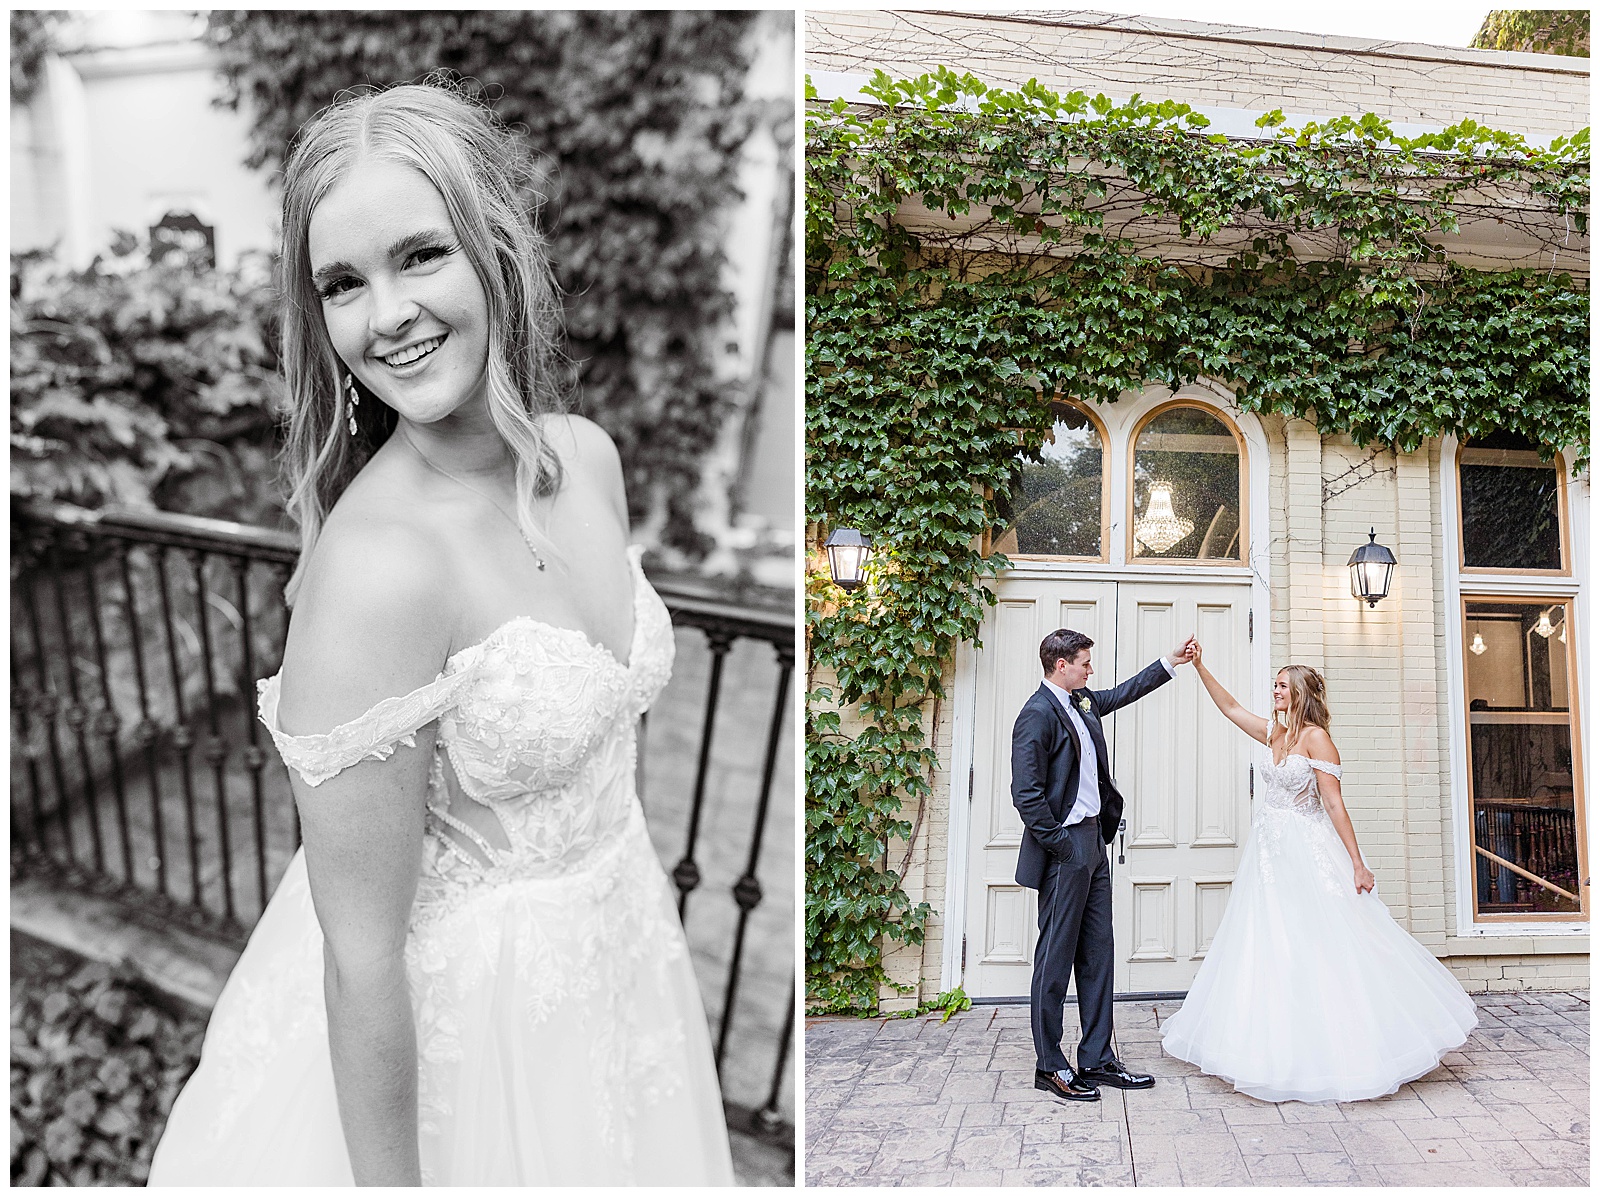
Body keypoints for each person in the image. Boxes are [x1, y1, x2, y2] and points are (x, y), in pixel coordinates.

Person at [148, 82, 734, 1185]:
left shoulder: (585, 456)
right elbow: (361, 957)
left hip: (617, 954)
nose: (386, 317)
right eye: (342, 284)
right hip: (469, 1042)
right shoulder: (377, 570)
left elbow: (605, 747)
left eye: (420, 256)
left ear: (494, 247)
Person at [1159, 647, 1478, 1103]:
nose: (1275, 690)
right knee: (1270, 939)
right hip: (1268, 855)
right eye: (1274, 684)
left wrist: (1357, 862)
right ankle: (1268, 1044)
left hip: (1306, 851)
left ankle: (1345, 1046)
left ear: (1301, 693)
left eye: (1282, 685)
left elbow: (1333, 804)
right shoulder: (1275, 733)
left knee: (1322, 939)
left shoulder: (1315, 739)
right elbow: (1229, 708)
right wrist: (1200, 667)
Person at [1012, 628, 1196, 1102]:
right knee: (1054, 962)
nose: (1091, 670)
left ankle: (1096, 1057)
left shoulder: (1082, 701)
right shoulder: (1036, 715)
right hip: (1064, 850)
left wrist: (1169, 661)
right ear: (1061, 665)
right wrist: (1061, 846)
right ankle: (1050, 1065)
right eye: (1085, 663)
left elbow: (1121, 694)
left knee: (1098, 955)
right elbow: (1026, 794)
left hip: (1094, 842)